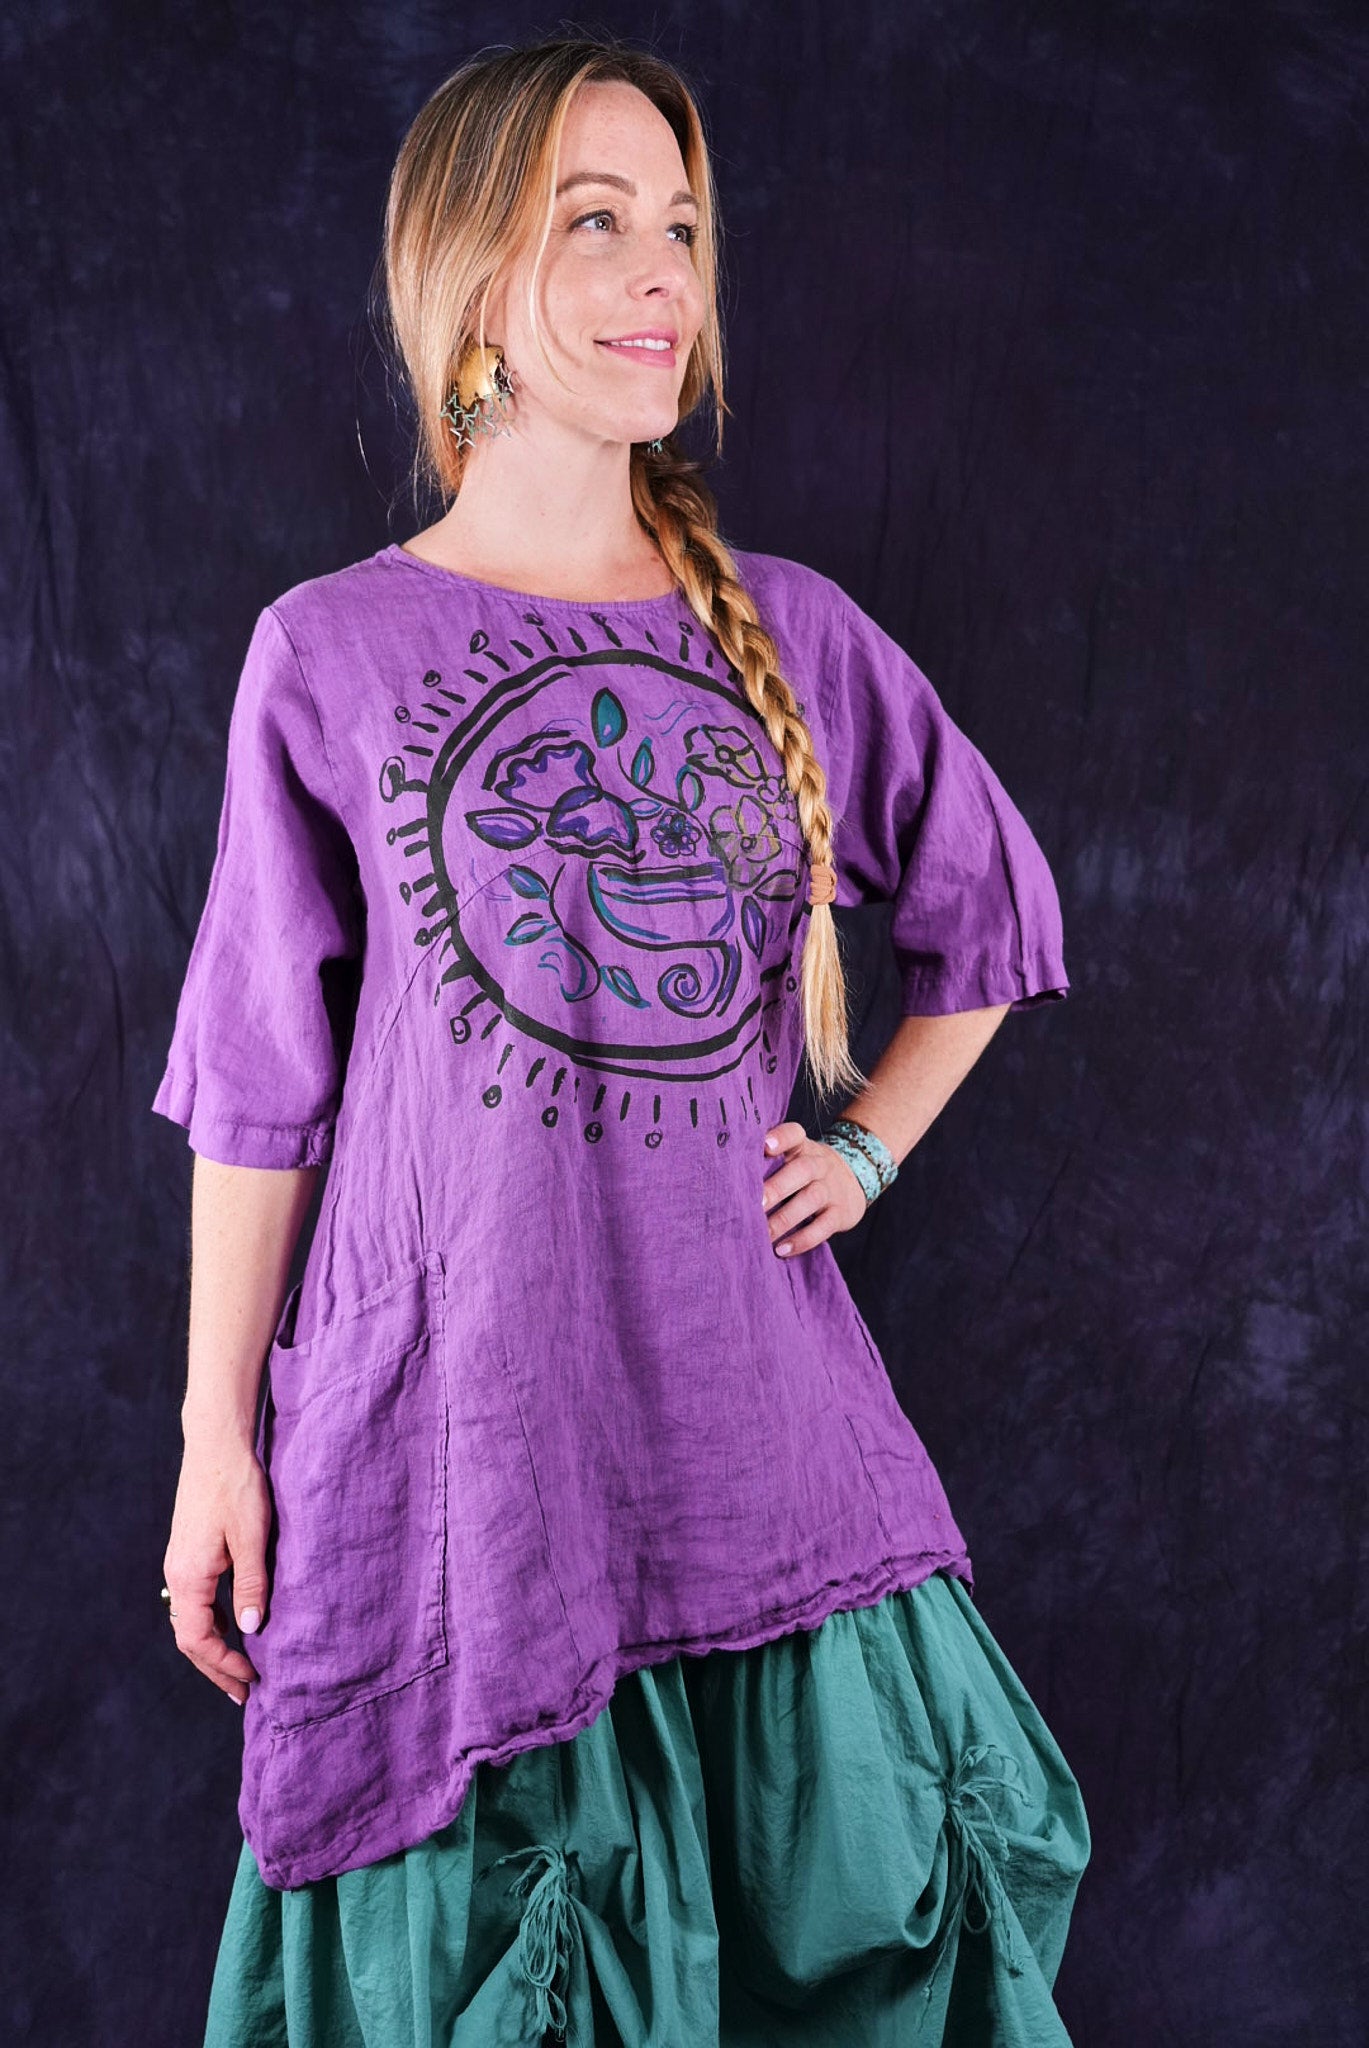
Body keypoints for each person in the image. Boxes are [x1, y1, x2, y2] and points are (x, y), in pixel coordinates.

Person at [155, 32, 1091, 2047]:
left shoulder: (795, 631)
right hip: (461, 1465)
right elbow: (260, 1083)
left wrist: (866, 1147)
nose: (663, 271)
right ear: (469, 279)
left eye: (678, 225)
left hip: (753, 1445)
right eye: (594, 223)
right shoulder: (328, 652)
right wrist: (216, 1432)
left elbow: (992, 923)